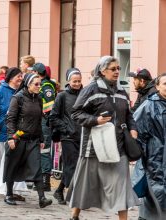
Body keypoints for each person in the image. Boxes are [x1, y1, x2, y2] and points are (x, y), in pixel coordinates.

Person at [67, 56, 139, 220]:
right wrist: (95, 120)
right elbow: (76, 113)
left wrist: (133, 129)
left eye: (118, 69)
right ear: (102, 70)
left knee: (122, 187)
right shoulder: (91, 90)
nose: (117, 72)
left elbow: (129, 116)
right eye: (113, 69)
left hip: (119, 147)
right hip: (93, 147)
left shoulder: (122, 92)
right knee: (84, 185)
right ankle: (75, 214)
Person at [3, 73, 52, 208]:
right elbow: (10, 119)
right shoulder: (17, 98)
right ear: (28, 84)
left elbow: (38, 121)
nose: (39, 87)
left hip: (33, 140)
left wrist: (41, 138)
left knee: (37, 167)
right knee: (12, 166)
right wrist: (11, 137)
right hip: (18, 138)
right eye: (36, 84)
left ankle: (42, 198)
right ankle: (8, 194)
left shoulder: (39, 99)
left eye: (40, 84)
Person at [0, 67, 26, 199]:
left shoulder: (23, 93)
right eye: (18, 76)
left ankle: (10, 190)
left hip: (15, 134)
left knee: (11, 163)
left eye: (21, 76)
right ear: (10, 77)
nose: (20, 78)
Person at [133, 73, 166, 220]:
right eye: (165, 83)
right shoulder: (149, 105)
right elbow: (137, 132)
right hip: (154, 157)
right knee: (155, 191)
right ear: (157, 86)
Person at [49, 68, 82, 205]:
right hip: (67, 136)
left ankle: (59, 190)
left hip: (82, 136)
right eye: (74, 81)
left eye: (79, 81)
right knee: (72, 165)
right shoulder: (62, 96)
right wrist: (66, 129)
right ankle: (74, 195)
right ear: (68, 81)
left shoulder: (84, 94)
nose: (77, 83)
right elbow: (53, 117)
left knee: (77, 166)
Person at [32, 62, 56, 191]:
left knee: (44, 151)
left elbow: (49, 107)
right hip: (39, 122)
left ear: (37, 73)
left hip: (44, 123)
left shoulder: (46, 87)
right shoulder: (40, 85)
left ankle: (45, 182)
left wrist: (38, 110)